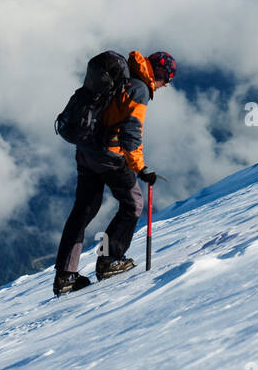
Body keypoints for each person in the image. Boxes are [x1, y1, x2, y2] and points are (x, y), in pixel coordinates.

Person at [53, 50, 177, 296]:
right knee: (133, 204)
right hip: (109, 155)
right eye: (167, 79)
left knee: (83, 210)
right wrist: (141, 168)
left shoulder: (123, 76)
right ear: (160, 74)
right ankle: (109, 260)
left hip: (85, 148)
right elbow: (131, 133)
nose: (165, 85)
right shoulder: (139, 89)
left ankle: (65, 276)